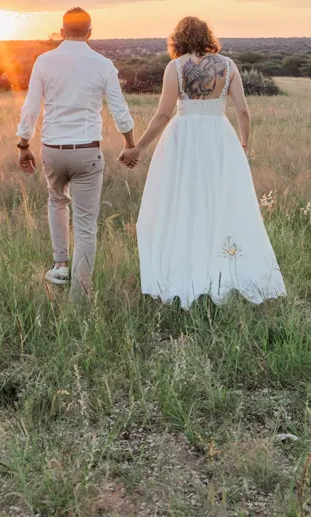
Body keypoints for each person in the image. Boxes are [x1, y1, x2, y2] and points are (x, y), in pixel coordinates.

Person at [119, 16, 285, 309]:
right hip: (220, 138)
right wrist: (243, 145)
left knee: (183, 204)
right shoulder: (229, 66)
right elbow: (243, 112)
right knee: (222, 204)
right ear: (207, 36)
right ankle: (223, 274)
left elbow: (162, 116)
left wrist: (139, 149)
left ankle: (187, 273)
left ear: (178, 39)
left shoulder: (176, 67)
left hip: (183, 140)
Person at [16, 7, 136, 296]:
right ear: (90, 32)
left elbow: (31, 108)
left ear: (61, 31)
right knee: (85, 226)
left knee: (57, 201)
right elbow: (119, 109)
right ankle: (80, 296)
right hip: (87, 152)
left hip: (52, 149)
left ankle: (60, 265)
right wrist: (130, 144)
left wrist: (23, 145)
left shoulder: (44, 61)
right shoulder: (103, 64)